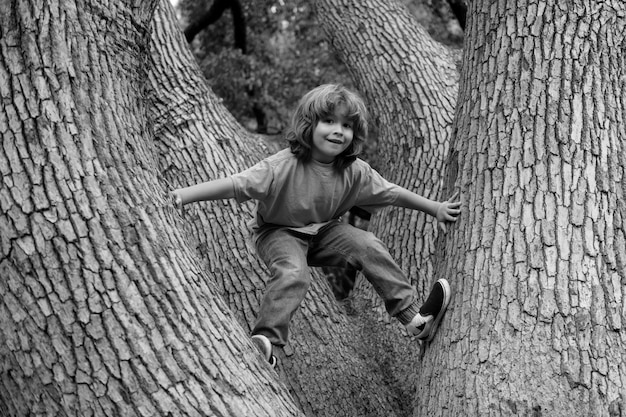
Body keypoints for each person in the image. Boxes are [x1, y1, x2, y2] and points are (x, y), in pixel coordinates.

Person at [171, 84, 461, 368]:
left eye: (347, 125)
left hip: (324, 232)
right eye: (329, 121)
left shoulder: (354, 170)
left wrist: (434, 208)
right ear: (308, 125)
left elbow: (392, 192)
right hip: (277, 232)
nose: (338, 130)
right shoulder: (280, 167)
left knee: (368, 245)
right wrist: (182, 196)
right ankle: (265, 340)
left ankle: (414, 321)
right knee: (294, 273)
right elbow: (233, 185)